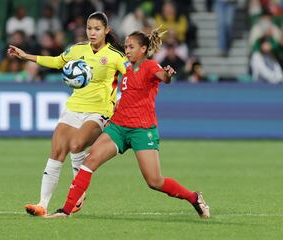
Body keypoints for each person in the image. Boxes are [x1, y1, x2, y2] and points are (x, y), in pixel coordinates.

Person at [46, 27, 210, 219]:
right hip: (119, 127)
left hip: (142, 130)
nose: (127, 50)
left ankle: (193, 197)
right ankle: (65, 211)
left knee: (154, 181)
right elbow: (128, 96)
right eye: (126, 47)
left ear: (143, 49)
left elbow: (163, 78)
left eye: (131, 47)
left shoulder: (150, 66)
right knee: (89, 161)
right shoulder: (127, 69)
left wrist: (168, 74)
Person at [7, 12, 128, 216]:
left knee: (76, 145)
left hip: (99, 111)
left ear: (106, 30)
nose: (92, 32)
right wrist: (26, 56)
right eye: (89, 28)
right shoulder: (77, 49)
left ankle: (77, 194)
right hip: (74, 106)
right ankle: (42, 204)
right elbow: (57, 62)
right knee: (57, 151)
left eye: (97, 29)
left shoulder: (116, 56)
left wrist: (121, 104)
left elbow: (132, 79)